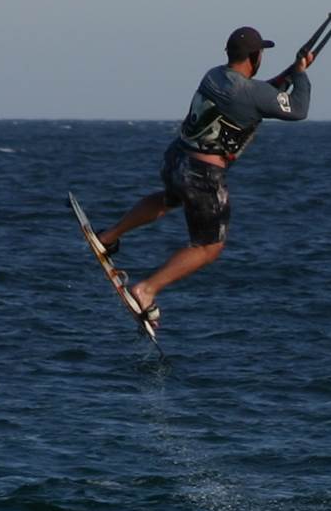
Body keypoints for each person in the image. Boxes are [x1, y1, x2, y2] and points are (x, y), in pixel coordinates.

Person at [95, 24, 313, 325]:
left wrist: (292, 70)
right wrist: (301, 75)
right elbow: (298, 109)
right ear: (255, 56)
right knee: (209, 247)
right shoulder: (251, 93)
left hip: (176, 160)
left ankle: (108, 236)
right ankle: (146, 290)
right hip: (203, 175)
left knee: (170, 198)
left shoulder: (215, 76)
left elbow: (262, 93)